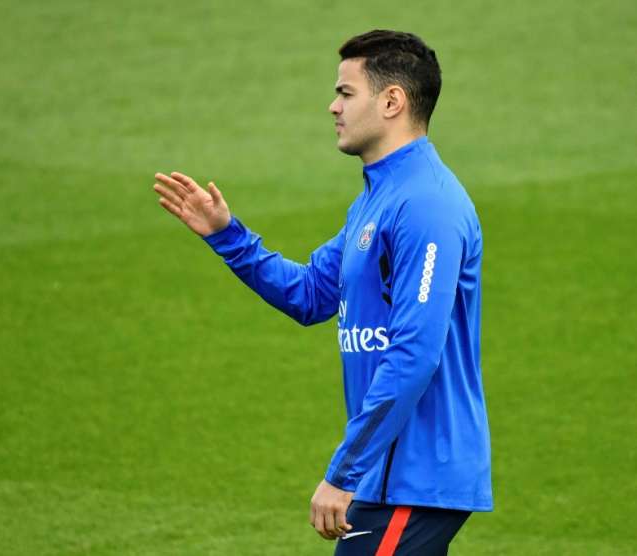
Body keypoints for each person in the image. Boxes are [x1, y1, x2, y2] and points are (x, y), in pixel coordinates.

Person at [152, 30, 492, 556]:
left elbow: (415, 354)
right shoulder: (379, 198)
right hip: (391, 476)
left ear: (392, 101)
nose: (333, 107)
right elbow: (311, 293)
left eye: (346, 93)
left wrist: (343, 473)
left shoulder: (427, 204)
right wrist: (227, 235)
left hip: (414, 477)